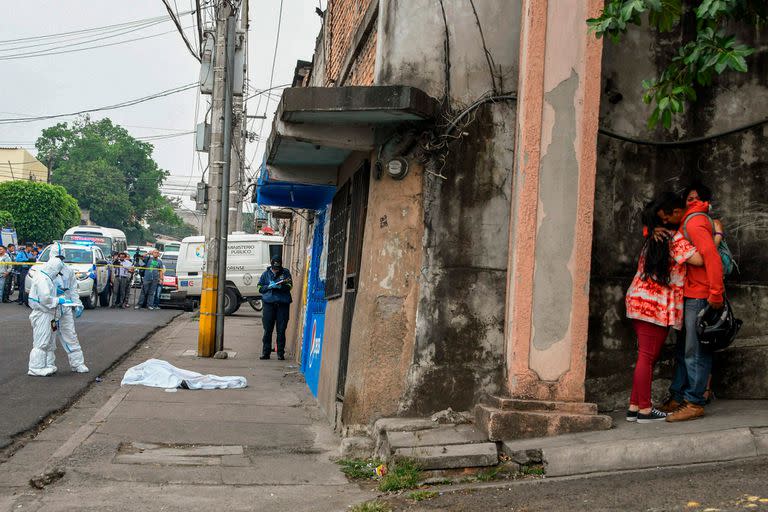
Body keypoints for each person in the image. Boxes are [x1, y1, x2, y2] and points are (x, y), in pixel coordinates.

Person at [625, 194, 705, 423]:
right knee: (647, 357)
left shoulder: (653, 237)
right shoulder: (673, 238)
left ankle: (634, 406)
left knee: (644, 356)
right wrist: (716, 235)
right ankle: (645, 411)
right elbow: (700, 260)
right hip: (654, 306)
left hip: (639, 300)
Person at [657, 188, 725, 422]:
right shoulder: (688, 222)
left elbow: (711, 257)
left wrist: (715, 293)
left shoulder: (694, 223)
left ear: (678, 211)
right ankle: (681, 397)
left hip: (700, 295)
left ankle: (694, 402)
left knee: (695, 351)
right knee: (686, 349)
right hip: (692, 293)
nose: (664, 222)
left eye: (666, 217)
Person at [49, 244, 89, 373]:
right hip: (50, 309)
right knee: (47, 338)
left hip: (65, 308)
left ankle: (77, 363)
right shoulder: (44, 271)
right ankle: (47, 364)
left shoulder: (68, 271)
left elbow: (73, 289)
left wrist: (78, 304)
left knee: (70, 335)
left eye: (61, 257)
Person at [257, 257, 293, 360]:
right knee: (267, 329)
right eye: (274, 268)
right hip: (269, 304)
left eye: (277, 268)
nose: (276, 270)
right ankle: (266, 353)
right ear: (271, 265)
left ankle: (280, 353)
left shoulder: (286, 273)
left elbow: (290, 286)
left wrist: (280, 287)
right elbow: (259, 287)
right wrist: (268, 286)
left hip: (283, 304)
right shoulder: (265, 274)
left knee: (281, 330)